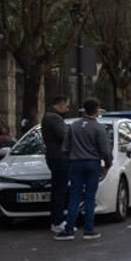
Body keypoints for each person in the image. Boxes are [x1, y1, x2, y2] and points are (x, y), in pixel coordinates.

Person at [57, 98, 112, 241]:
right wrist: (107, 165)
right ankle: (88, 229)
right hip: (92, 163)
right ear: (97, 110)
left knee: (74, 196)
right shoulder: (98, 128)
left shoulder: (74, 126)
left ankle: (69, 229)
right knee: (89, 197)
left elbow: (65, 147)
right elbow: (105, 150)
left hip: (75, 163)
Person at [42, 93, 72, 234]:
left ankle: (58, 220)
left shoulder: (50, 117)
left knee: (58, 190)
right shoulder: (54, 118)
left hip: (54, 156)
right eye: (66, 105)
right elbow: (64, 136)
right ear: (60, 104)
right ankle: (57, 221)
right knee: (60, 191)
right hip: (59, 157)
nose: (68, 108)